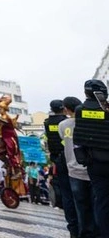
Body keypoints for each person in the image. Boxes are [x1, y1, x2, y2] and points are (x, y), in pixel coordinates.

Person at [73, 79, 109, 237]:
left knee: (102, 201)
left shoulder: (79, 110)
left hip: (94, 162)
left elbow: (78, 139)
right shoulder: (107, 109)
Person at [59, 96, 97, 238]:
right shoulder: (90, 121)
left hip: (74, 171)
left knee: (81, 206)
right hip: (93, 169)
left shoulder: (63, 125)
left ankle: (84, 233)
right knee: (97, 205)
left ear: (66, 109)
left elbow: (63, 140)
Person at [45, 99, 78, 235]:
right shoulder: (67, 122)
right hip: (71, 157)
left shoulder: (47, 123)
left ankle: (73, 228)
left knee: (67, 195)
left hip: (57, 160)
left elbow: (49, 141)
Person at [0, 96, 27, 199]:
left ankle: (18, 171)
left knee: (12, 154)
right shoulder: (3, 116)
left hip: (10, 137)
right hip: (3, 137)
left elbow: (0, 122)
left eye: (0, 108)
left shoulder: (6, 117)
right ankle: (7, 163)